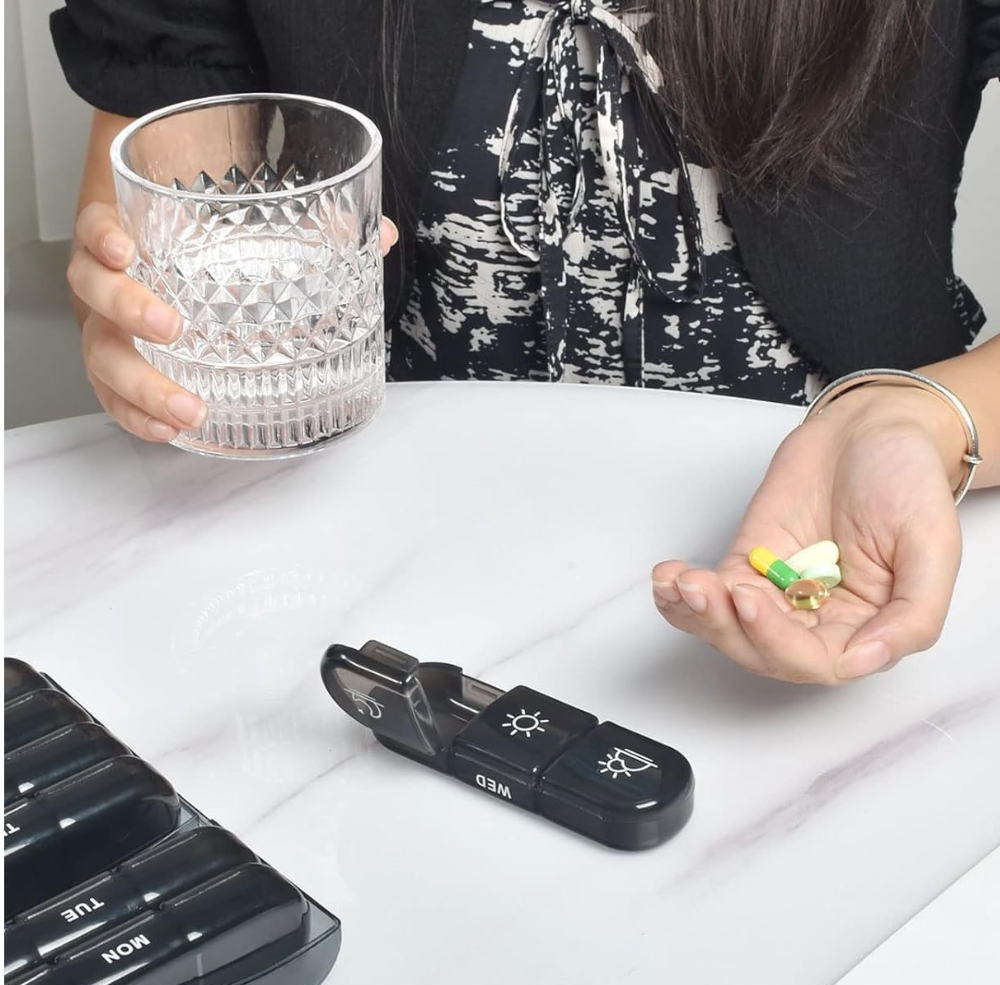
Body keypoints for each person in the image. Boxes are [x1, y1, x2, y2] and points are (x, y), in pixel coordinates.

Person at [51, 1, 998, 685]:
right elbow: (171, 221)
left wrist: (921, 424)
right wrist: (156, 340)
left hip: (868, 555)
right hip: (365, 584)